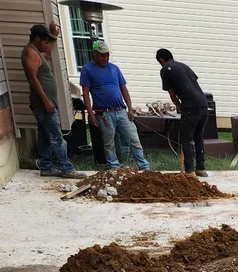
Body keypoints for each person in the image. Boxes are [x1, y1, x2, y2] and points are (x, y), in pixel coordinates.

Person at [21, 23, 81, 178]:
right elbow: (34, 79)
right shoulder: (30, 53)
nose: (47, 45)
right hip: (43, 103)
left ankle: (46, 166)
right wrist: (46, 100)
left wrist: (54, 36)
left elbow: (47, 52)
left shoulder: (37, 52)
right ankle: (66, 168)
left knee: (45, 136)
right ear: (37, 39)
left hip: (46, 103)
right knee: (56, 137)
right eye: (45, 41)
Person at [79, 40, 150, 171]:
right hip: (104, 113)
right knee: (109, 143)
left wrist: (130, 108)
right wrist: (90, 113)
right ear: (94, 53)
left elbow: (124, 89)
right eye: (102, 55)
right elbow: (85, 93)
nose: (105, 58)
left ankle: (143, 167)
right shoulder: (87, 70)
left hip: (121, 111)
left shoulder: (114, 69)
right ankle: (114, 168)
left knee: (134, 139)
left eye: (107, 55)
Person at [156, 48, 208, 177]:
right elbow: (192, 84)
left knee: (186, 138)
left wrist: (179, 106)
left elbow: (172, 94)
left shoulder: (165, 69)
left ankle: (189, 171)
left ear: (161, 60)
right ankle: (201, 169)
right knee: (198, 137)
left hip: (190, 106)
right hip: (203, 104)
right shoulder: (184, 66)